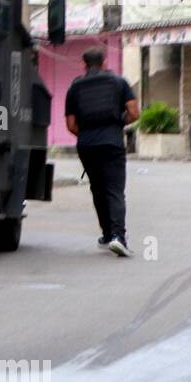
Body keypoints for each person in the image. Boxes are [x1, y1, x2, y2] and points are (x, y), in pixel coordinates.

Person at [65, 46, 139, 257]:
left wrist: (88, 134)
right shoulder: (119, 82)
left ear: (84, 65)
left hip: (87, 145)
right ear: (105, 63)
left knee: (97, 189)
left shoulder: (75, 88)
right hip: (112, 143)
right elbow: (134, 113)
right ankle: (118, 237)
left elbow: (71, 125)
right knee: (114, 190)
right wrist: (118, 123)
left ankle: (107, 235)